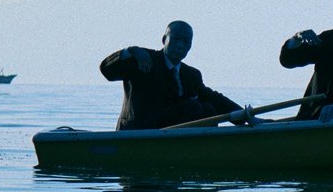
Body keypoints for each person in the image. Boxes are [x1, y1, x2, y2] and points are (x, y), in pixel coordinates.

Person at [98, 21, 242, 131]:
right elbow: (106, 70)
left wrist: (246, 116)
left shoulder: (191, 75)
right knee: (194, 107)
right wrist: (130, 51)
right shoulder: (144, 60)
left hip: (171, 133)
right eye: (176, 39)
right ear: (164, 39)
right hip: (138, 131)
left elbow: (213, 98)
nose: (180, 45)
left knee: (208, 108)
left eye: (186, 42)